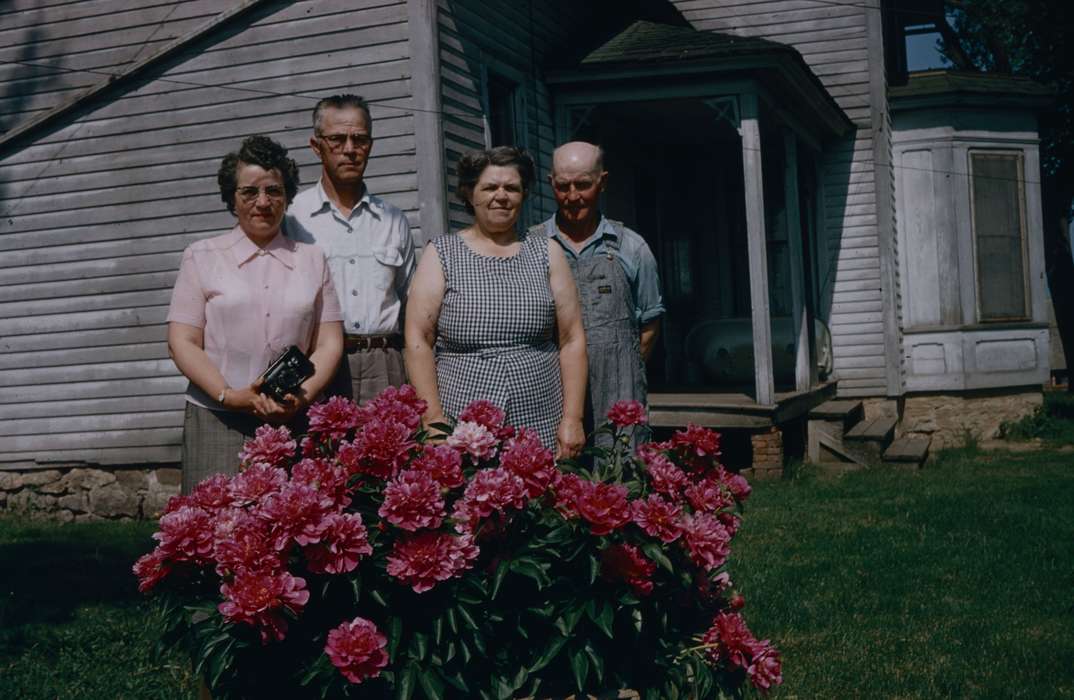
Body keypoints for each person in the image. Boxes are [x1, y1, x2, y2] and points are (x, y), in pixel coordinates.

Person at [167, 135, 344, 493]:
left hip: (294, 419)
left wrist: (303, 398)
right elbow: (182, 341)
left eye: (274, 191)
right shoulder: (201, 256)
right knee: (214, 532)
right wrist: (228, 395)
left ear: (287, 196)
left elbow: (329, 343)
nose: (262, 202)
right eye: (249, 192)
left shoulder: (312, 258)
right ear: (232, 198)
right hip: (218, 420)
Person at [404, 147, 587, 458]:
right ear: (469, 193)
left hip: (540, 416)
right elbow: (417, 339)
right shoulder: (442, 253)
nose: (501, 196)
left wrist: (573, 418)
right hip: (462, 421)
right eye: (490, 187)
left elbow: (571, 340)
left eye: (512, 188)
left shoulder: (547, 252)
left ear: (523, 194)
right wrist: (433, 418)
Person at [532, 141, 665, 446]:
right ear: (551, 183)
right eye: (563, 186)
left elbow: (650, 323)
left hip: (619, 396)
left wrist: (621, 369)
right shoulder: (532, 247)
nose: (573, 196)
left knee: (620, 481)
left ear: (602, 182)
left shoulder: (631, 247)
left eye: (583, 184)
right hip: (553, 395)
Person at [286, 94, 415, 405]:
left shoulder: (393, 220)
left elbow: (410, 305)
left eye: (359, 139)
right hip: (316, 365)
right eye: (337, 139)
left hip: (386, 363)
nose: (349, 150)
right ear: (316, 146)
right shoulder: (292, 218)